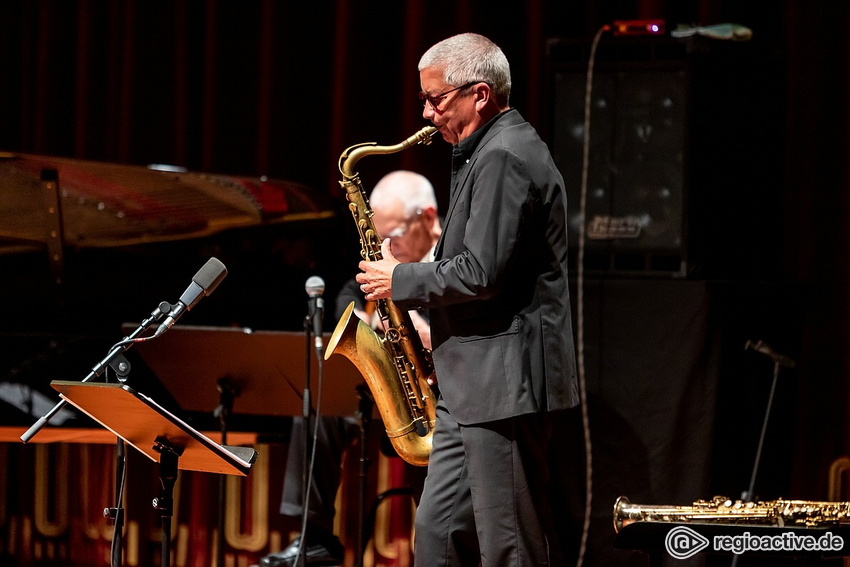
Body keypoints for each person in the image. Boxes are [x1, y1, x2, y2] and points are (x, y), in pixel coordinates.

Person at [356, 33, 579, 566]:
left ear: (479, 94)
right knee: (436, 536)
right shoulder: (486, 151)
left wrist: (400, 279)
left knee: (509, 547)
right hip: (470, 385)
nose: (428, 114)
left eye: (437, 99)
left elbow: (481, 271)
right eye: (424, 100)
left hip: (502, 384)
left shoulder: (505, 155)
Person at [260, 170, 442, 567]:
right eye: (378, 239)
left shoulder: (450, 264)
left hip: (436, 401)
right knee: (318, 403)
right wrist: (367, 317)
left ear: (428, 218)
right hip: (382, 396)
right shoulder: (383, 262)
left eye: (392, 235)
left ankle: (435, 551)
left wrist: (411, 326)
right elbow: (349, 295)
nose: (385, 248)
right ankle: (314, 536)